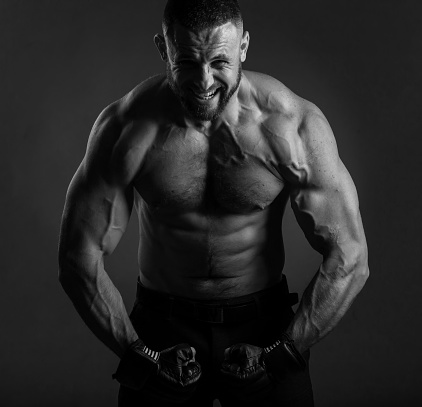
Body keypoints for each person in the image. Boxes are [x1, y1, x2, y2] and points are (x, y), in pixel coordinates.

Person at [58, 0, 369, 405]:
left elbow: (350, 257)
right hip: (161, 328)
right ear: (163, 48)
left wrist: (284, 352)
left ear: (243, 47)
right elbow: (78, 259)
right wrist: (138, 353)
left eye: (219, 61)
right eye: (186, 61)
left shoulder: (292, 126)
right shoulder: (126, 128)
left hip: (266, 328)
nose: (203, 81)